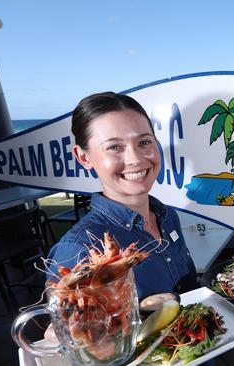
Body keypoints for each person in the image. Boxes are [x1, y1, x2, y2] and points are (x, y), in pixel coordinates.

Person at [47, 91, 198, 301]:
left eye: (144, 142)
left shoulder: (168, 216)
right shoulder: (78, 248)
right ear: (83, 157)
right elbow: (69, 328)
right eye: (114, 147)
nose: (135, 159)